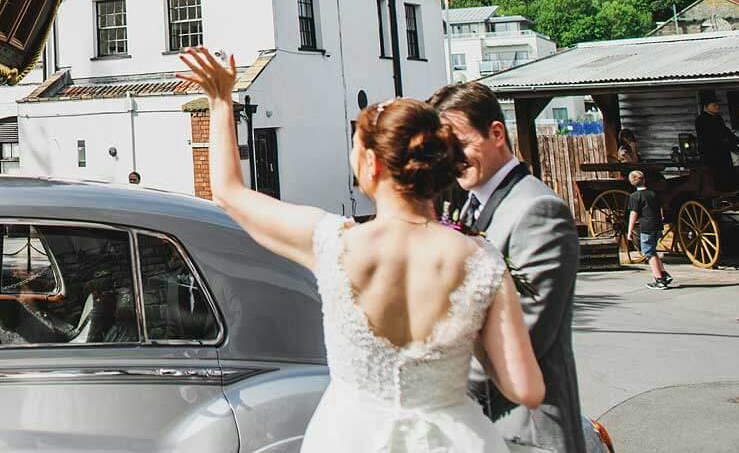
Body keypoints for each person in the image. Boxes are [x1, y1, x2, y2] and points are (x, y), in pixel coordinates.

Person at [179, 49, 543, 452]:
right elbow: (525, 388)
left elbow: (230, 194)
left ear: (372, 164)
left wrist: (220, 100)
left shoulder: (333, 243)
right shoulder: (482, 259)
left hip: (351, 436)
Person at [431, 81, 585, 453]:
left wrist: (427, 388)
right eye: (445, 149)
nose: (454, 159)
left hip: (526, 432)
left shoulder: (538, 211)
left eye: (462, 144)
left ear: (496, 133)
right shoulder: (466, 207)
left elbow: (525, 338)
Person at [624, 170, 671, 289]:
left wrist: (629, 231)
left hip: (646, 227)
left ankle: (659, 280)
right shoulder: (653, 194)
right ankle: (664, 274)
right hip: (657, 226)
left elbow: (633, 214)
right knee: (653, 250)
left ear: (631, 183)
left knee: (649, 254)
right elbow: (660, 209)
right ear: (644, 180)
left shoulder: (634, 196)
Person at [694, 92, 739, 196]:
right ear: (706, 106)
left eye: (717, 105)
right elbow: (708, 138)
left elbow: (725, 131)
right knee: (737, 160)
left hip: (724, 148)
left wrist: (735, 139)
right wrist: (724, 142)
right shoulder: (701, 120)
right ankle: (729, 187)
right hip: (712, 152)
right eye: (714, 105)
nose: (717, 107)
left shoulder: (718, 118)